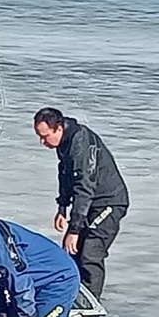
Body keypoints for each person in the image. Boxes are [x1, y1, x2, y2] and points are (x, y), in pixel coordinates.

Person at [33, 108, 129, 301]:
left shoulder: (80, 144)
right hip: (90, 203)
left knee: (90, 254)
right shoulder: (64, 142)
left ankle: (91, 302)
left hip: (109, 202)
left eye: (44, 137)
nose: (42, 142)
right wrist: (62, 207)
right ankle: (71, 295)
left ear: (58, 128)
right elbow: (65, 174)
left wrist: (74, 230)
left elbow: (84, 187)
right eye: (39, 137)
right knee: (71, 252)